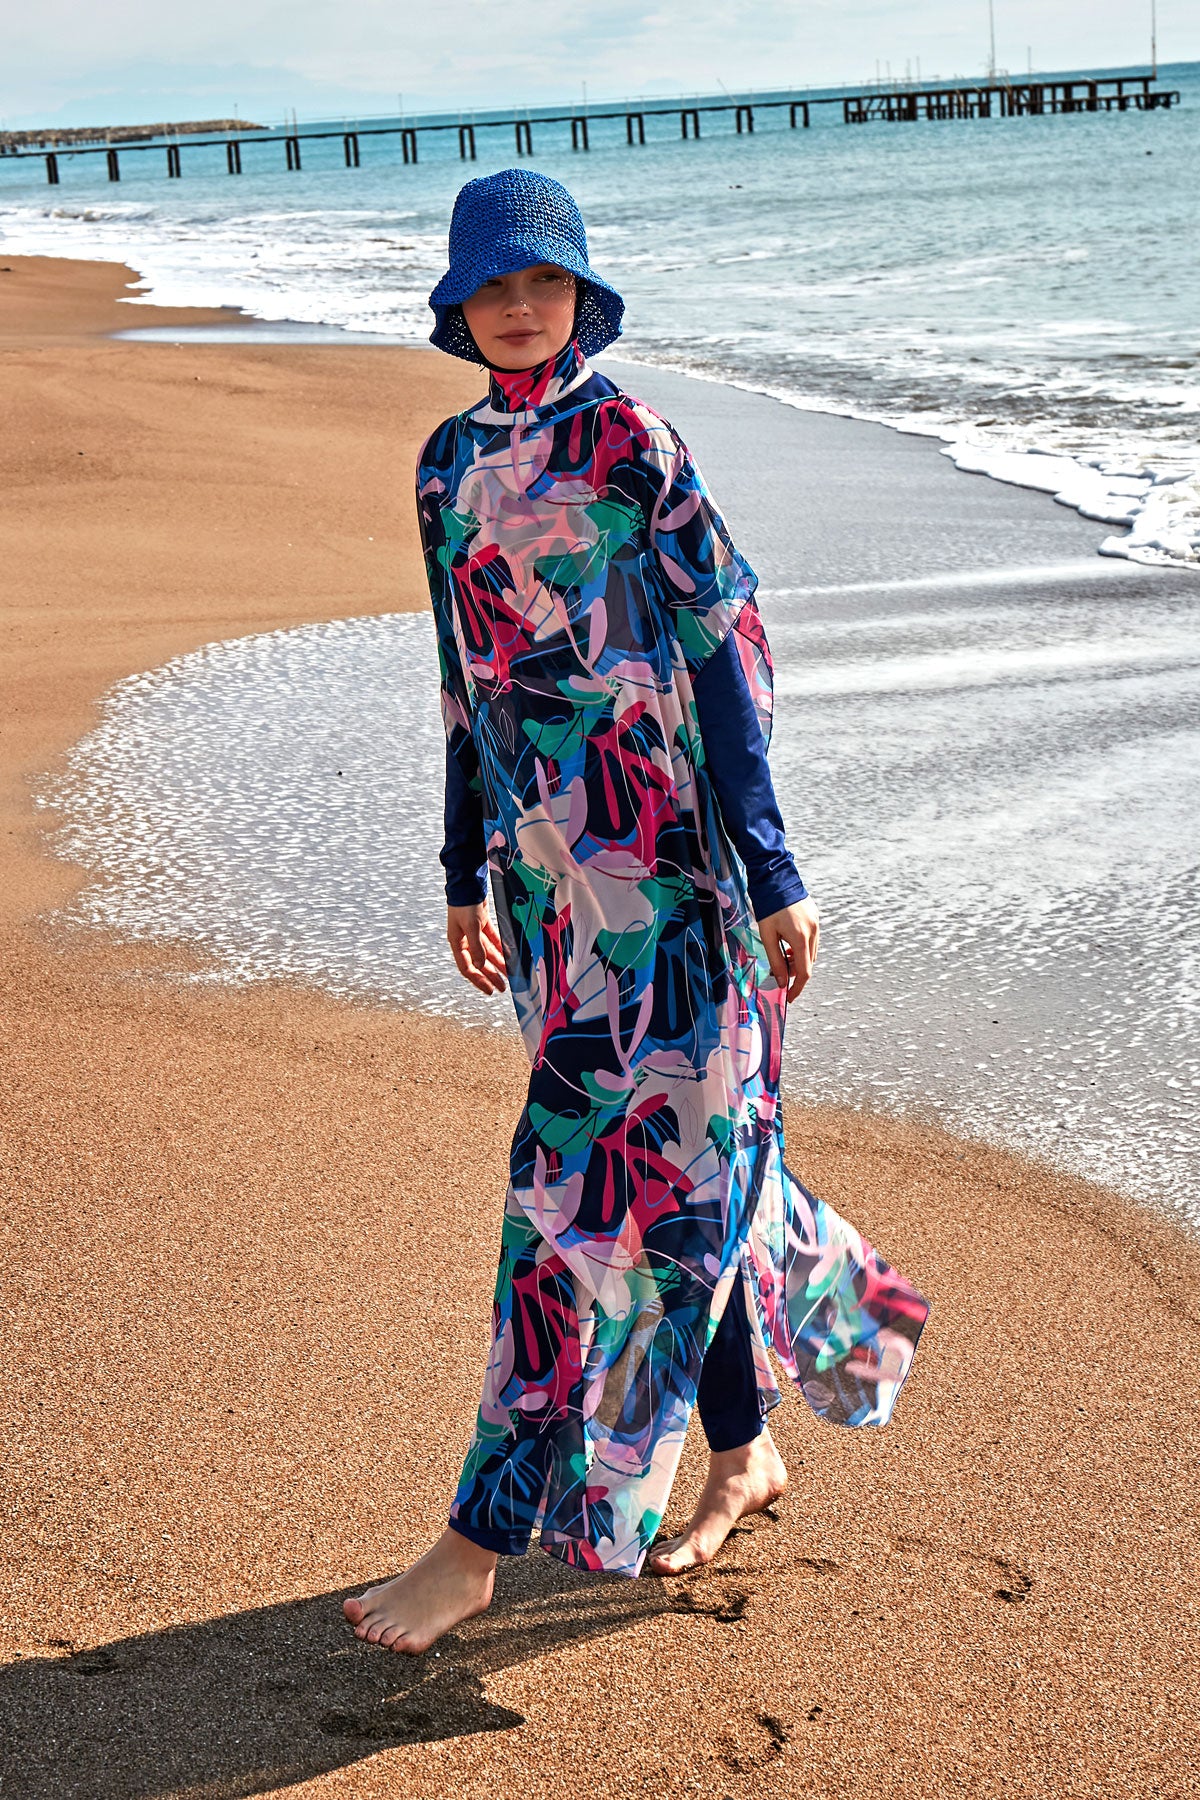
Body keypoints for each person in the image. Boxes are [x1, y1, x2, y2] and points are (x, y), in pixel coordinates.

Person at [344, 169, 929, 1656]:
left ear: (582, 297)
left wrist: (773, 869)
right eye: (493, 285)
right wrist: (465, 869)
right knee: (687, 1177)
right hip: (555, 902)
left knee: (579, 1208)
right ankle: (751, 1445)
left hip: (677, 888)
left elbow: (721, 648)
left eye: (542, 281)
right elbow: (466, 682)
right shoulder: (443, 468)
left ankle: (478, 1542)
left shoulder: (630, 444)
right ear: (458, 306)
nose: (518, 306)